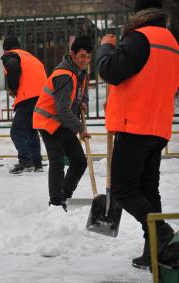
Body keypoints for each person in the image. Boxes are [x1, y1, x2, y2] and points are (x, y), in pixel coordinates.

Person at [97, 0, 178, 270]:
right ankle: (154, 248)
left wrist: (106, 47)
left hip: (134, 125)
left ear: (138, 13)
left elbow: (110, 71)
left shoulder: (139, 38)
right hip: (158, 127)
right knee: (147, 189)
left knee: (122, 188)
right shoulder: (171, 42)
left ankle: (162, 231)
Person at [33, 35, 92, 211]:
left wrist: (83, 102)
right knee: (57, 161)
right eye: (82, 56)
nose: (85, 60)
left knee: (80, 161)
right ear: (72, 55)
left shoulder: (80, 73)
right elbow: (62, 109)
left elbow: (82, 93)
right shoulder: (64, 75)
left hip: (62, 123)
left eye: (88, 57)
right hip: (48, 122)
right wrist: (80, 129)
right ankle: (56, 202)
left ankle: (64, 194)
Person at [1, 36, 47, 174]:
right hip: (42, 96)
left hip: (29, 97)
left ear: (5, 50)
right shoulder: (29, 57)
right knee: (31, 130)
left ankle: (26, 162)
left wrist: (13, 88)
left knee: (16, 131)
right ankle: (37, 163)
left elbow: (13, 67)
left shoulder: (10, 56)